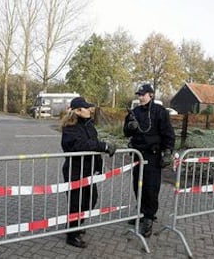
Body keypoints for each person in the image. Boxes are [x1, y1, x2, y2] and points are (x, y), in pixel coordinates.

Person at [61, 96, 116, 248]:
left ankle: (77, 224)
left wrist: (98, 166)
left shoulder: (89, 124)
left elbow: (93, 147)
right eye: (86, 108)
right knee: (76, 203)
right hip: (75, 170)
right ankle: (72, 235)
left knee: (91, 199)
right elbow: (80, 145)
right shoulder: (70, 127)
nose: (90, 109)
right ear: (78, 111)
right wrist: (103, 146)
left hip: (89, 169)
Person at [123, 84, 175, 237]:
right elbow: (125, 132)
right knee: (137, 186)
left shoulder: (160, 112)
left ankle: (149, 218)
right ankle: (141, 212)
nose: (140, 97)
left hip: (152, 156)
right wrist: (130, 127)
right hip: (137, 155)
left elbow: (168, 133)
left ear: (151, 95)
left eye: (143, 94)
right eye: (138, 94)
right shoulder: (134, 112)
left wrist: (168, 152)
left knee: (151, 189)